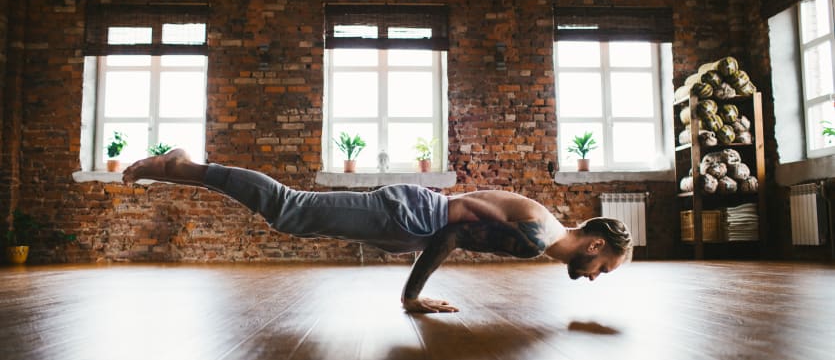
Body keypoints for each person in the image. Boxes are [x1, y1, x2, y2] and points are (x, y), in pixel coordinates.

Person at [122, 149, 633, 313]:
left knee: (291, 215)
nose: (594, 276)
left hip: (412, 219)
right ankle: (185, 167)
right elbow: (454, 230)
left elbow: (464, 217)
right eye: (604, 267)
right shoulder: (534, 240)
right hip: (412, 216)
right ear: (595, 244)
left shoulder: (540, 228)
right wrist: (412, 296)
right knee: (289, 208)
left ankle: (187, 169)